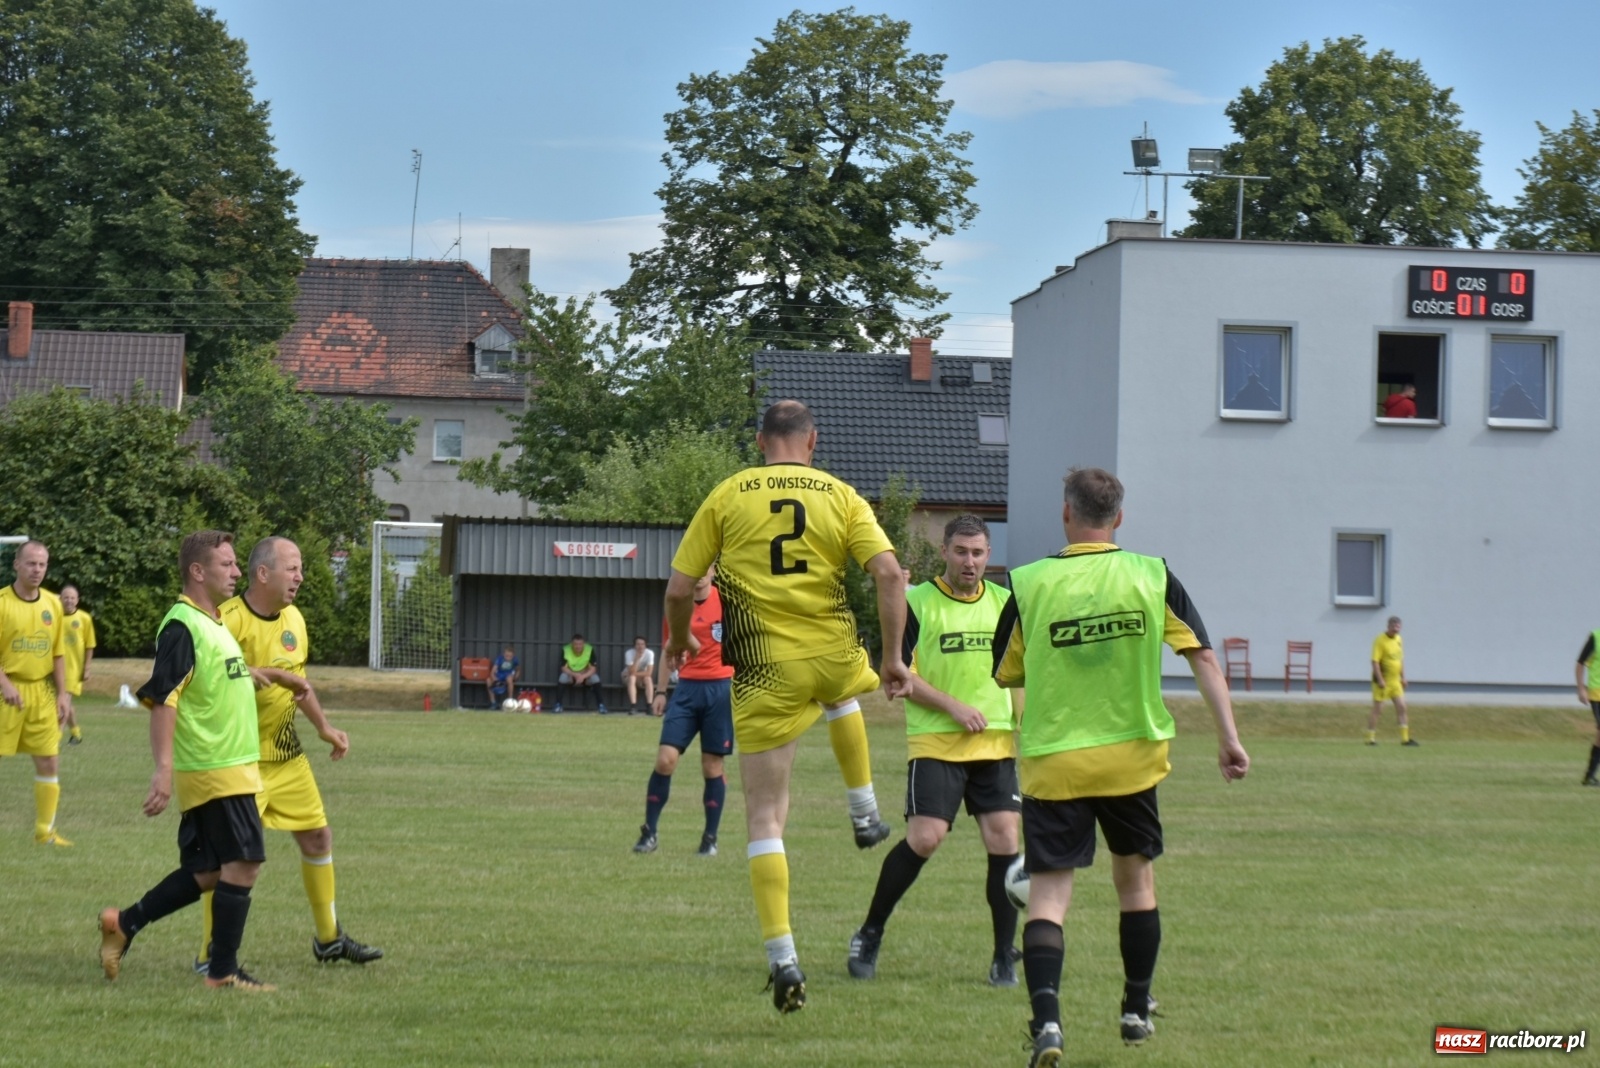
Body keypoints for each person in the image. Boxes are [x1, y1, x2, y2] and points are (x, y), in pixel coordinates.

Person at [992, 468, 1249, 1066]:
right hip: (1132, 757)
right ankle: (1135, 1008)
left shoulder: (1027, 584)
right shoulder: (1151, 574)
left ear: (1065, 513)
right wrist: (1228, 738)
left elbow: (1007, 672)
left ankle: (1048, 1024)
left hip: (1057, 761)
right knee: (1135, 885)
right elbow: (1203, 657)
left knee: (1049, 899)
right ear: (1119, 520)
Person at [666, 399, 911, 1014]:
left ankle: (783, 958)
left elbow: (677, 588)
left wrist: (679, 640)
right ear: (812, 441)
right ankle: (864, 809)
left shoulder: (728, 494)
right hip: (833, 655)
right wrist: (892, 658)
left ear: (759, 442)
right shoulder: (841, 494)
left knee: (766, 818)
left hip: (766, 671)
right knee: (842, 690)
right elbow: (888, 574)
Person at [847, 514, 1025, 986]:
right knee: (925, 838)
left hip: (995, 742)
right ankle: (870, 931)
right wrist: (953, 707)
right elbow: (897, 676)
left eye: (979, 553)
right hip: (937, 741)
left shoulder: (1007, 604)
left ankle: (1004, 953)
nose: (971, 562)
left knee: (1006, 839)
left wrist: (1026, 721)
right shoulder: (916, 604)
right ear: (944, 552)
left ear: (990, 555)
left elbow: (1022, 671)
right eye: (962, 552)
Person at [193, 535, 382, 973]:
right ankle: (209, 955)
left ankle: (329, 939)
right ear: (263, 574)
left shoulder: (294, 618)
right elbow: (211, 681)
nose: (300, 576)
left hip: (286, 754)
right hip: (239, 758)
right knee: (230, 861)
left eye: (300, 569)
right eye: (292, 568)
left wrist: (324, 727)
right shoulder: (228, 620)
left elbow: (300, 685)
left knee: (318, 837)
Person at [98, 530, 274, 991]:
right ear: (198, 571)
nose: (237, 572)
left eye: (236, 564)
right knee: (245, 863)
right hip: (215, 767)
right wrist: (162, 768)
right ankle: (222, 972)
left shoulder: (212, 622)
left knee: (209, 871)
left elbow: (212, 678)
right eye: (227, 564)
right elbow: (165, 698)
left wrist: (258, 675)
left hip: (230, 766)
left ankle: (125, 923)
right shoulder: (182, 624)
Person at [634, 566, 734, 856]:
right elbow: (669, 649)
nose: (701, 573)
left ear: (714, 572)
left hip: (720, 689)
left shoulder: (728, 602)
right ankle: (649, 833)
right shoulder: (678, 603)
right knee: (665, 760)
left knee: (712, 766)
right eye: (696, 567)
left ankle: (710, 839)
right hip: (687, 690)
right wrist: (662, 691)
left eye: (707, 568)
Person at [0, 540, 73, 845]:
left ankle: (45, 832)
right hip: (5, 689)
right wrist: (4, 684)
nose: (37, 569)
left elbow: (58, 653)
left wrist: (63, 694)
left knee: (49, 760)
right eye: (31, 563)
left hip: (40, 693)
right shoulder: (2, 602)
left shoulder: (53, 604)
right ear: (16, 565)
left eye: (42, 564)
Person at [1367, 616, 1416, 746]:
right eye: (1394, 627)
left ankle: (1405, 739)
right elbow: (1375, 661)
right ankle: (1370, 738)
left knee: (1402, 707)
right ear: (1388, 626)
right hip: (1383, 681)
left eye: (1398, 627)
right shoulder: (1380, 640)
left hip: (1395, 682)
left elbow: (1400, 660)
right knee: (1378, 709)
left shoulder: (1399, 640)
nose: (1396, 630)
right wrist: (1380, 679)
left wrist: (1403, 678)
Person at [59, 584, 94, 744]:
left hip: (73, 670)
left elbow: (89, 645)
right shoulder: (53, 617)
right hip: (55, 669)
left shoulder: (84, 618)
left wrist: (86, 668)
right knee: (64, 704)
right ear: (60, 599)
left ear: (77, 600)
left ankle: (54, 739)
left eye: (72, 597)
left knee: (61, 704)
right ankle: (76, 733)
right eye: (66, 597)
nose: (69, 600)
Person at [555, 633, 604, 713]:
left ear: (584, 644)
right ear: (572, 644)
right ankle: (558, 705)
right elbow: (563, 668)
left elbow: (593, 669)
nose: (578, 646)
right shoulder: (566, 649)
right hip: (571, 675)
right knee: (563, 677)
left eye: (580, 644)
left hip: (585, 675)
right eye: (575, 644)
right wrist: (575, 675)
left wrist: (583, 676)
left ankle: (601, 705)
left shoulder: (589, 649)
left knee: (595, 678)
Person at [1576, 631, 1600, 786]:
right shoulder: (1596, 637)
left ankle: (1589, 776)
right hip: (1597, 694)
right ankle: (1589, 776)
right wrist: (1581, 688)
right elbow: (1580, 663)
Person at [622, 636, 655, 713]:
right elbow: (631, 671)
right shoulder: (629, 653)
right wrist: (637, 658)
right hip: (627, 678)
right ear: (634, 645)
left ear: (645, 645)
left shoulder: (650, 653)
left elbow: (649, 672)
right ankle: (633, 706)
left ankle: (649, 706)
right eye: (638, 644)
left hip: (641, 677)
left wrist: (633, 673)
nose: (640, 646)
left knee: (648, 679)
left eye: (642, 644)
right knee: (632, 678)